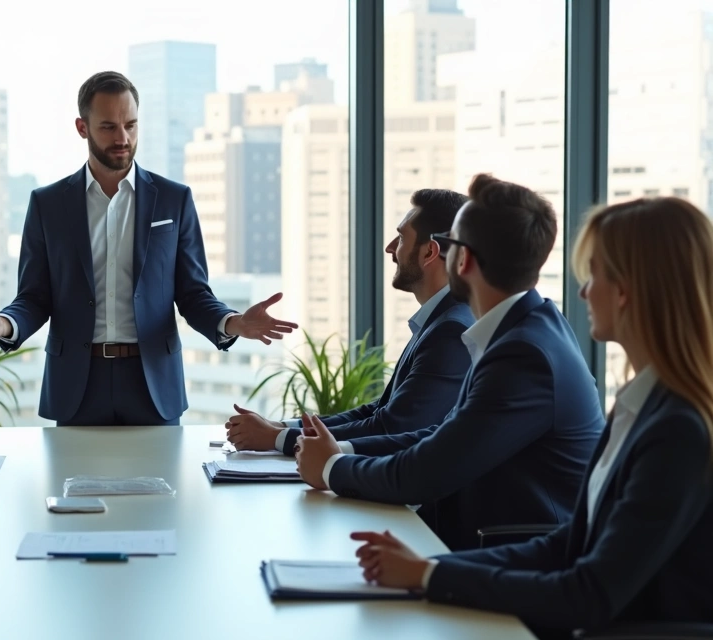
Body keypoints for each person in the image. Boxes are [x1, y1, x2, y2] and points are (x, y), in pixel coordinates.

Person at [350, 197, 713, 638]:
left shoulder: (677, 428)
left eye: (593, 274)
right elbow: (570, 543)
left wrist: (429, 577)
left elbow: (588, 594)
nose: (583, 292)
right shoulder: (643, 406)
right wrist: (428, 567)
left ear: (626, 290)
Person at [0, 71, 297, 426]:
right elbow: (35, 297)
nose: (122, 137)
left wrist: (232, 322)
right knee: (70, 483)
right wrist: (4, 324)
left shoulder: (174, 200)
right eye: (108, 127)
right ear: (82, 128)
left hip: (152, 382)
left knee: (160, 486)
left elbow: (193, 294)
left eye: (131, 125)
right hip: (77, 383)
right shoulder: (48, 204)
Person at [295, 174, 604, 551]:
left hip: (510, 559)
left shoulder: (525, 354)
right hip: (480, 541)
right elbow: (444, 434)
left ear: (464, 259)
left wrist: (330, 468)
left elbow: (431, 470)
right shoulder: (522, 329)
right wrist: (338, 453)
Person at [226, 189, 474, 453]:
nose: (389, 248)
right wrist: (279, 427)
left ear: (429, 253)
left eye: (401, 238)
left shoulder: (450, 330)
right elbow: (379, 410)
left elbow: (394, 427)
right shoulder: (440, 319)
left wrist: (278, 439)